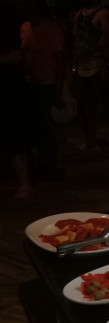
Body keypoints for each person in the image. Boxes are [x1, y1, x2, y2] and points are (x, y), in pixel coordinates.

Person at [19, 0, 67, 175]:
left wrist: (59, 89)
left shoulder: (51, 28)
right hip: (32, 82)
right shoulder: (25, 27)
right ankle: (45, 160)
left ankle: (58, 162)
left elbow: (61, 59)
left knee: (52, 124)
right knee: (38, 126)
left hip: (48, 81)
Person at [71, 0, 109, 149]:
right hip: (83, 67)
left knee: (107, 105)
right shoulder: (79, 15)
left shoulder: (103, 14)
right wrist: (75, 66)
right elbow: (77, 40)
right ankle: (92, 138)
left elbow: (107, 41)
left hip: (98, 66)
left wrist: (107, 64)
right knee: (88, 106)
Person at [0, 0, 33, 198]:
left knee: (14, 134)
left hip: (10, 88)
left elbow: (17, 54)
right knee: (7, 135)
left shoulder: (7, 17)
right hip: (8, 86)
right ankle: (16, 179)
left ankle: (25, 182)